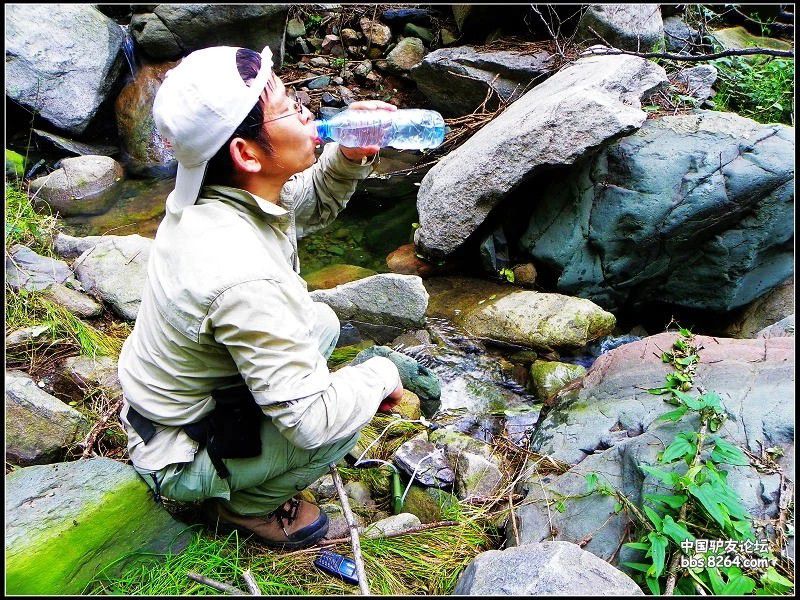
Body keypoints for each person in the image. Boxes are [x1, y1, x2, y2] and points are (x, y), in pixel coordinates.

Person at [117, 44, 405, 550]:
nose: (308, 113)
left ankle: (244, 462)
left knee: (319, 321)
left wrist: (350, 156)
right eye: (290, 109)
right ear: (246, 154)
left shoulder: (218, 195)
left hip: (178, 404)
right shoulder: (241, 274)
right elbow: (311, 422)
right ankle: (243, 509)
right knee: (335, 423)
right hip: (176, 449)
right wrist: (381, 376)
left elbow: (304, 205)